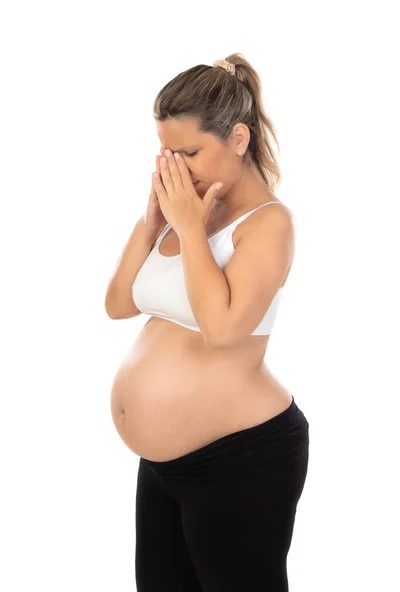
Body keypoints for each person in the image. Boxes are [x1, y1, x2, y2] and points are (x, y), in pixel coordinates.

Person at [105, 53, 310, 592]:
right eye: (167, 152)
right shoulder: (188, 208)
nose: (176, 167)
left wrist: (190, 231)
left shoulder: (268, 224)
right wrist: (153, 222)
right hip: (163, 464)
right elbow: (119, 303)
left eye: (190, 152)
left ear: (238, 140)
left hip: (241, 460)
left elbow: (222, 331)